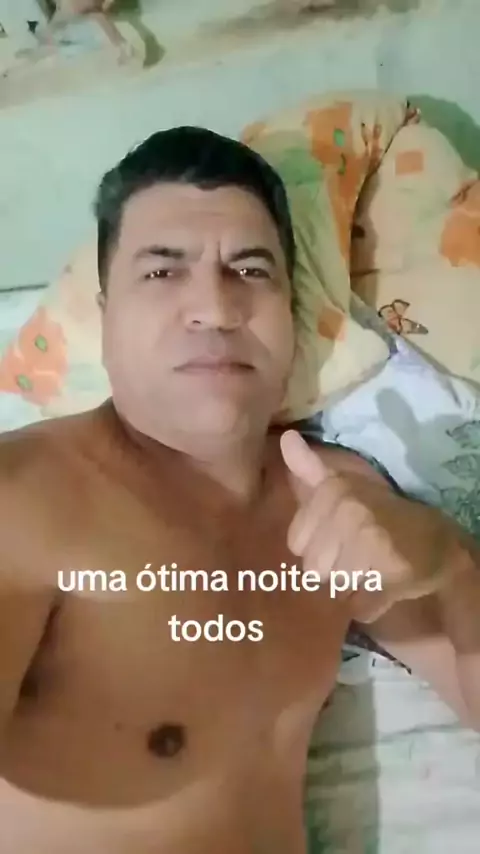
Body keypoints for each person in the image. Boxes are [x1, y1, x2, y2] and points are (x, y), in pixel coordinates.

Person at [0, 126, 479, 854]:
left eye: (251, 270)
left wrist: (445, 558)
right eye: (163, 272)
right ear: (104, 316)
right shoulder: (24, 498)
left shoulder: (340, 497)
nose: (217, 309)